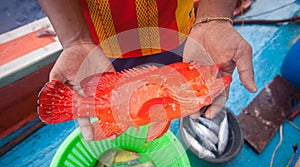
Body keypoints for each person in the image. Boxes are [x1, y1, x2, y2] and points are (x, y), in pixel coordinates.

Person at [37, 0, 257, 141]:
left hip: (180, 33)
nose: (211, 76)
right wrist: (75, 39)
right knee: (117, 82)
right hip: (101, 48)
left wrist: (215, 14)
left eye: (198, 83)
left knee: (180, 65)